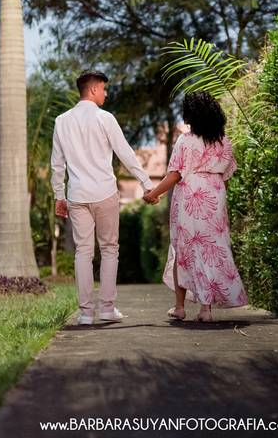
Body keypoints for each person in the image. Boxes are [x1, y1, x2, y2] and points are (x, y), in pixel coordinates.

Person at [51, 70, 155, 325]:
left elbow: (57, 164)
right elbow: (125, 153)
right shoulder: (105, 118)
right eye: (104, 89)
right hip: (104, 193)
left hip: (77, 195)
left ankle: (86, 313)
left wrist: (59, 196)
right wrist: (146, 183)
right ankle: (107, 309)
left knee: (83, 252)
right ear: (94, 89)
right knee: (109, 249)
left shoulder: (61, 121)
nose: (106, 94)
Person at [143, 91, 248, 322]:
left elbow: (174, 175)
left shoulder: (186, 140)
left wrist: (152, 194)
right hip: (215, 198)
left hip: (190, 199)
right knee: (211, 250)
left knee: (183, 251)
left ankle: (179, 308)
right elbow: (226, 177)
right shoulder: (224, 141)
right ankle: (205, 309)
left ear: (191, 115)